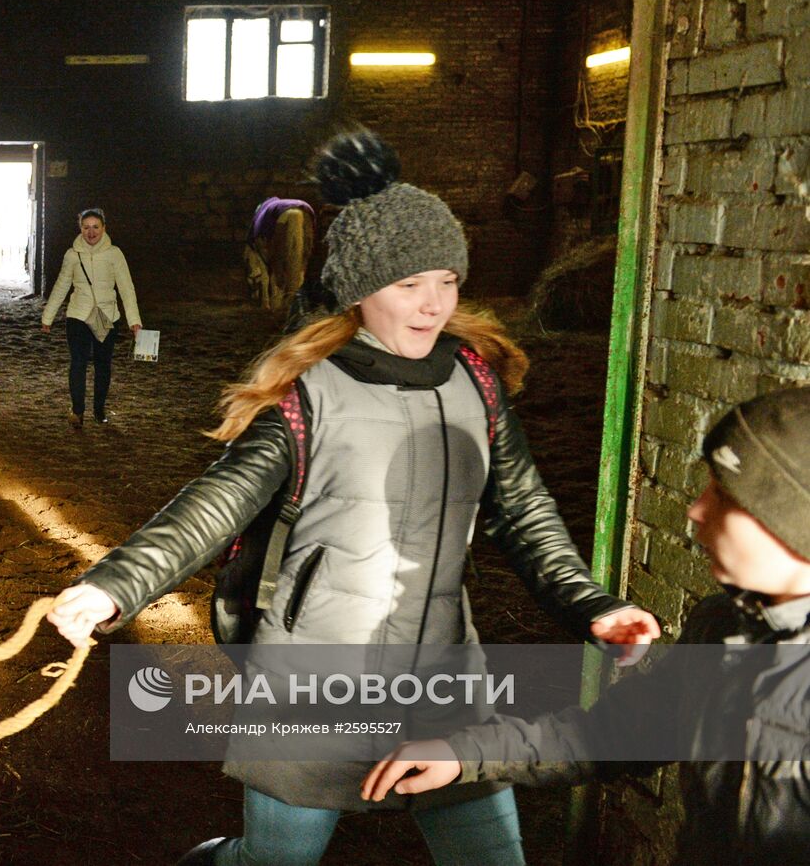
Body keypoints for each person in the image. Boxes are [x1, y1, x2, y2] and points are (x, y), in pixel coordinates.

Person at [46, 130, 659, 866]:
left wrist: (596, 607)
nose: (433, 304)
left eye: (447, 281)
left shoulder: (477, 385)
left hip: (444, 680)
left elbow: (526, 516)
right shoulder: (308, 394)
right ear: (361, 289)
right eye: (409, 285)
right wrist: (113, 585)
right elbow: (214, 504)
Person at [362, 385, 810, 863]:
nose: (696, 509)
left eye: (723, 494)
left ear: (791, 519)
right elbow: (617, 732)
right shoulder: (724, 627)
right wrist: (465, 753)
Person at [40, 207, 142, 426]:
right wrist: (48, 316)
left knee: (103, 364)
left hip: (107, 315)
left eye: (96, 227)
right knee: (78, 363)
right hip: (78, 316)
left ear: (104, 228)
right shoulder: (72, 254)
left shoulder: (115, 254)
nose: (91, 231)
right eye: (86, 227)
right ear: (80, 229)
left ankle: (99, 409)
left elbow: (126, 287)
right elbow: (61, 285)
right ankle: (77, 411)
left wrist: (134, 320)